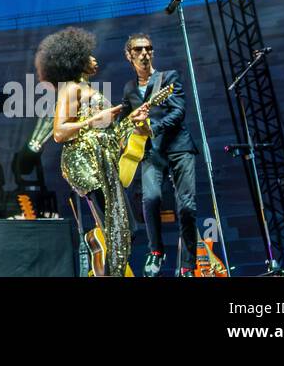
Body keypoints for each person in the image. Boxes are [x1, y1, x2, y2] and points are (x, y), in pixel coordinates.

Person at [38, 26, 150, 277]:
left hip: (104, 162)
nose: (94, 59)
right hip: (86, 165)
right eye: (88, 55)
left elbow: (108, 134)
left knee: (125, 228)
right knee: (117, 229)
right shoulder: (72, 90)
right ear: (76, 61)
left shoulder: (90, 90)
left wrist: (133, 121)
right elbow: (59, 132)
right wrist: (95, 119)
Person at [119, 33, 200, 277]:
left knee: (187, 206)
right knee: (151, 199)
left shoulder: (168, 78)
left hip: (179, 148)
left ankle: (187, 264)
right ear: (129, 55)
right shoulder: (129, 88)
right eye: (138, 50)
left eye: (148, 49)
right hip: (150, 152)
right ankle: (156, 251)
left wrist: (154, 127)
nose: (144, 53)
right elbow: (125, 118)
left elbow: (179, 111)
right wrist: (128, 125)